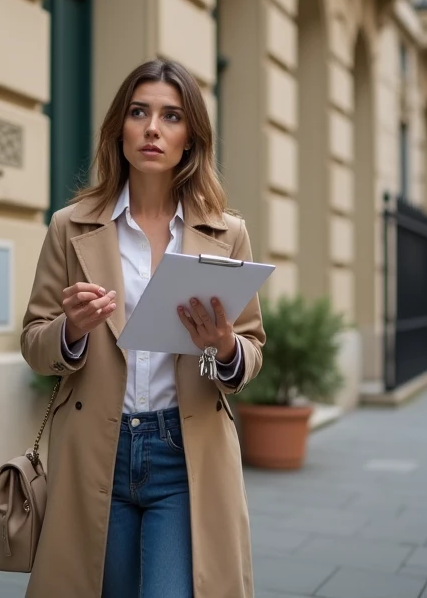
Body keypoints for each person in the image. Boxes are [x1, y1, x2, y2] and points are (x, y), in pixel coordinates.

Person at [21, 57, 265, 598]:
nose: (153, 128)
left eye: (171, 116)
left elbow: (249, 351)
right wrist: (72, 330)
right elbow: (35, 342)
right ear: (120, 130)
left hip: (182, 451)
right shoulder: (71, 226)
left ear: (190, 139)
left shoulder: (226, 234)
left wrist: (222, 346)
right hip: (96, 453)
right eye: (139, 112)